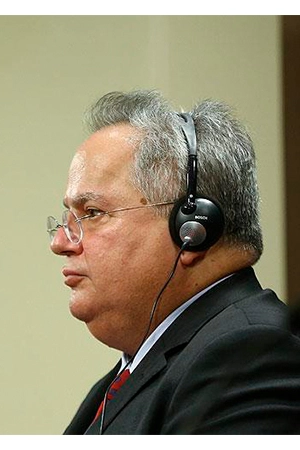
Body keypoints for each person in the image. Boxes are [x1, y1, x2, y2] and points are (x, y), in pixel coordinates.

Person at [47, 90, 300, 434]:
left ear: (191, 228)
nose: (60, 243)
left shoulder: (253, 355)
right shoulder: (120, 381)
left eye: (92, 213)